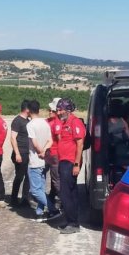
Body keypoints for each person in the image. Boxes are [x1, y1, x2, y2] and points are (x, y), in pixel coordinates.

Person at [50, 98, 86, 234]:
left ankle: (73, 223)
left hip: (70, 162)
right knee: (71, 192)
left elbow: (80, 144)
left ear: (68, 110)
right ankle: (72, 220)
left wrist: (76, 164)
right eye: (57, 110)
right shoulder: (65, 122)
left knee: (65, 194)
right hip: (64, 161)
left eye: (60, 110)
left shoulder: (75, 122)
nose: (58, 112)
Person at [25, 100, 59, 222]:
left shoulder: (30, 125)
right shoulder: (45, 123)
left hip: (35, 161)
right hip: (44, 160)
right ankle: (39, 212)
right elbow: (50, 141)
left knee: (35, 190)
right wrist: (44, 151)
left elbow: (34, 143)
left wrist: (40, 152)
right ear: (39, 110)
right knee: (40, 189)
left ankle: (53, 209)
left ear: (28, 111)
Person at [9, 100, 32, 208]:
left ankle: (25, 198)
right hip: (20, 152)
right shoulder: (17, 121)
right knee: (19, 176)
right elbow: (13, 138)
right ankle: (13, 199)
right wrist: (17, 154)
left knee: (28, 176)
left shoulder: (28, 121)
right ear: (27, 109)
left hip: (27, 153)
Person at [46, 98, 63, 209]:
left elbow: (60, 140)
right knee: (54, 178)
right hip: (50, 153)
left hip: (54, 153)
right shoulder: (50, 121)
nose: (50, 112)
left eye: (52, 110)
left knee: (56, 179)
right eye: (49, 110)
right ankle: (53, 196)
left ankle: (62, 200)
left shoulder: (57, 122)